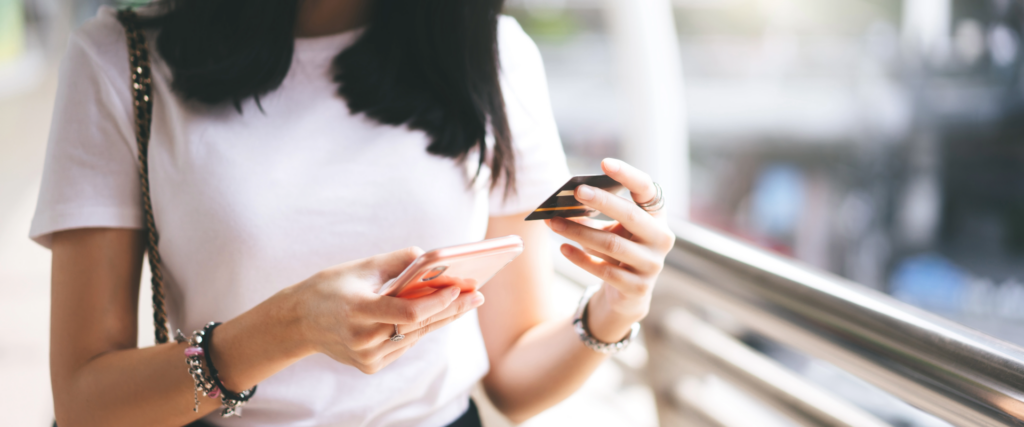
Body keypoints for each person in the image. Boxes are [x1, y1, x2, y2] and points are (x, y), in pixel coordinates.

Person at [31, 0, 676, 426]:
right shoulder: (120, 58)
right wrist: (287, 327)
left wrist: (617, 307)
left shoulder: (496, 55)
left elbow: (511, 377)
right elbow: (86, 400)